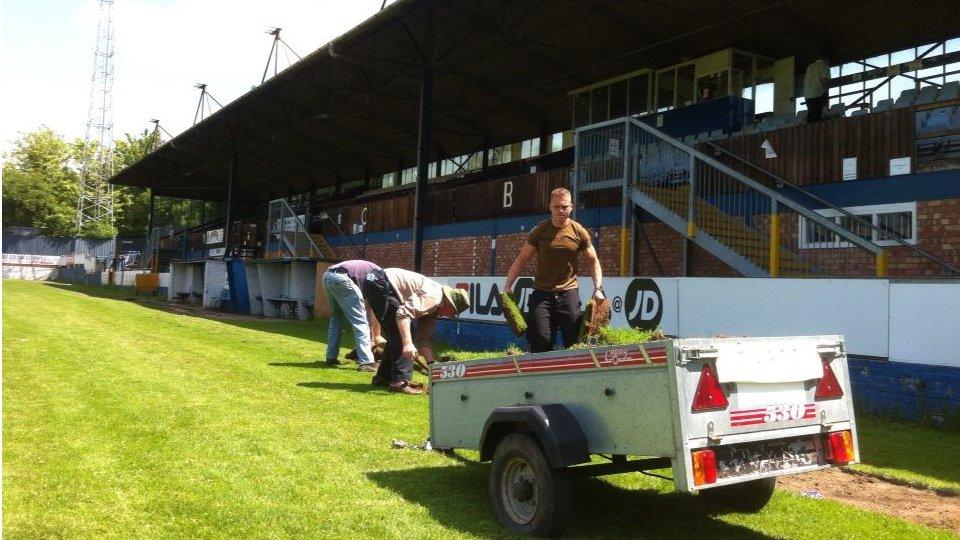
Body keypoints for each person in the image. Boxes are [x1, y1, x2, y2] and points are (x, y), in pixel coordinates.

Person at [504, 187, 604, 353]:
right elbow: (522, 259)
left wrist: (598, 288)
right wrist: (508, 286)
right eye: (557, 206)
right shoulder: (539, 231)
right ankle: (540, 377)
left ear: (571, 207)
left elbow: (593, 261)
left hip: (569, 293)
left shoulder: (579, 231)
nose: (561, 210)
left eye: (565, 206)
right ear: (550, 206)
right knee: (540, 341)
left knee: (575, 343)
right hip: (542, 294)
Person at [361, 267, 470, 394]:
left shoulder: (435, 309)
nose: (449, 316)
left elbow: (423, 338)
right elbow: (403, 314)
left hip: (374, 282)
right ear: (449, 305)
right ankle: (399, 382)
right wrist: (407, 344)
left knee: (397, 333)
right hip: (380, 281)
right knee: (403, 333)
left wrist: (431, 366)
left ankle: (383, 377)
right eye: (453, 313)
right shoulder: (434, 297)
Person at [322, 260, 382, 372]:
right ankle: (367, 362)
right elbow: (373, 308)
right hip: (343, 279)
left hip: (328, 276)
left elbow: (367, 304)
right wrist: (375, 337)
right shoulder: (379, 275)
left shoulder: (372, 271)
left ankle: (331, 357)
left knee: (337, 318)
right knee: (360, 322)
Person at [804, 55, 831, 123]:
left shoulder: (810, 66)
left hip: (807, 95)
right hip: (817, 94)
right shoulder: (823, 65)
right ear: (827, 59)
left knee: (812, 115)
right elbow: (824, 80)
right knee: (817, 118)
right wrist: (826, 93)